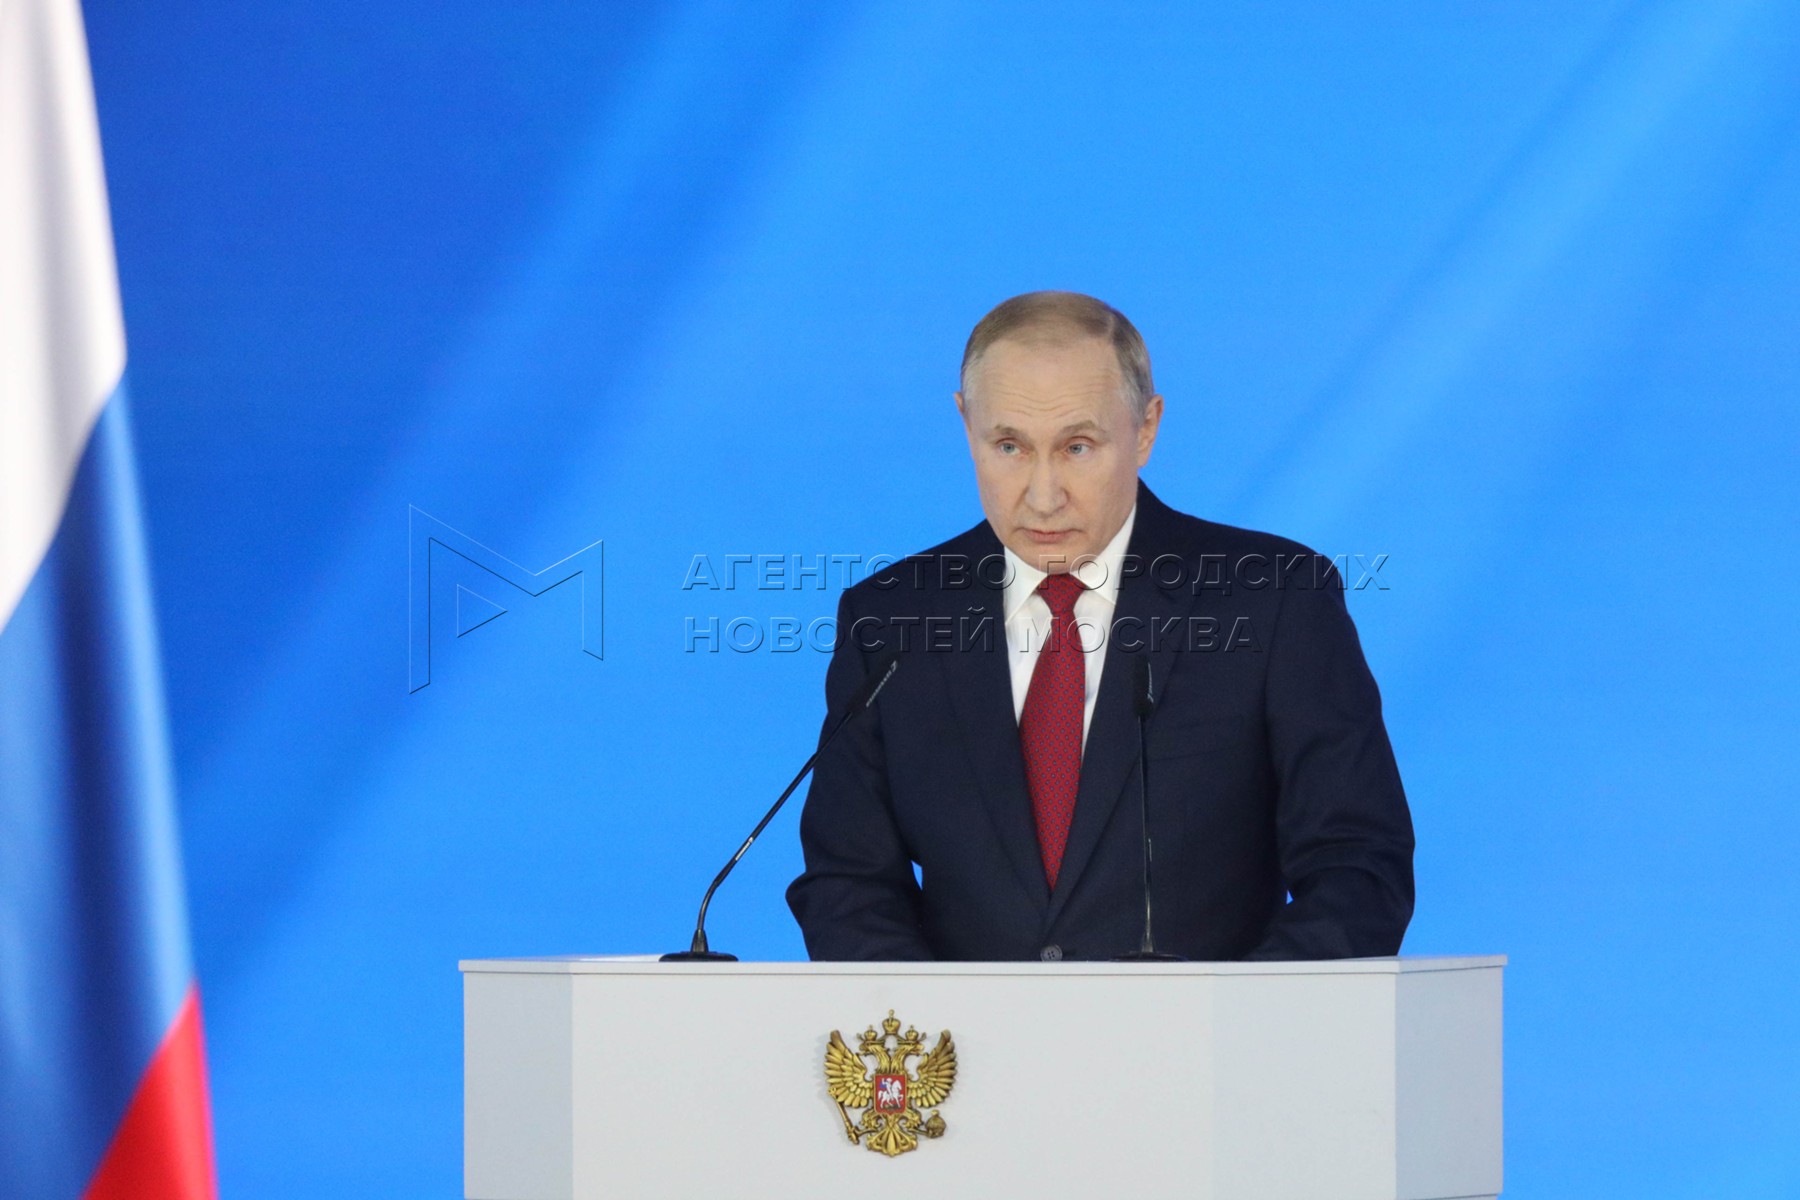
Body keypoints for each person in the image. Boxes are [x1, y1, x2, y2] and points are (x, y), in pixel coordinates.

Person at [786, 291, 1414, 961]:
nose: (1043, 496)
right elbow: (847, 883)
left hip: (1211, 1028)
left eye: (1077, 447)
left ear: (1145, 429)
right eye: (1009, 446)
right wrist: (929, 1021)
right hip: (960, 1033)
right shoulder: (892, 621)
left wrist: (1234, 1015)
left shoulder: (1275, 599)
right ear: (966, 424)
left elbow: (1358, 868)